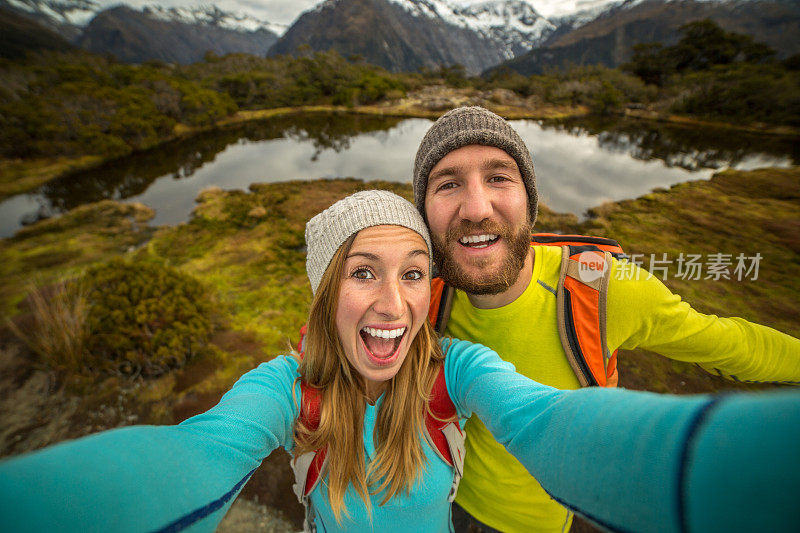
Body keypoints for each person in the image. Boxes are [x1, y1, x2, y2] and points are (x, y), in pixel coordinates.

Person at [1, 191, 799, 533]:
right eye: (361, 272)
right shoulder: (289, 387)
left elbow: (547, 419)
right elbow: (195, 453)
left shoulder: (457, 367)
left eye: (413, 273)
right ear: (323, 295)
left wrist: (740, 466)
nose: (392, 304)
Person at [411, 105, 800, 532]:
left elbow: (731, 343)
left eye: (499, 177)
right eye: (448, 184)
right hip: (442, 505)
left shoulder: (608, 289)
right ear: (424, 212)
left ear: (530, 198)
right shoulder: (418, 293)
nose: (477, 208)